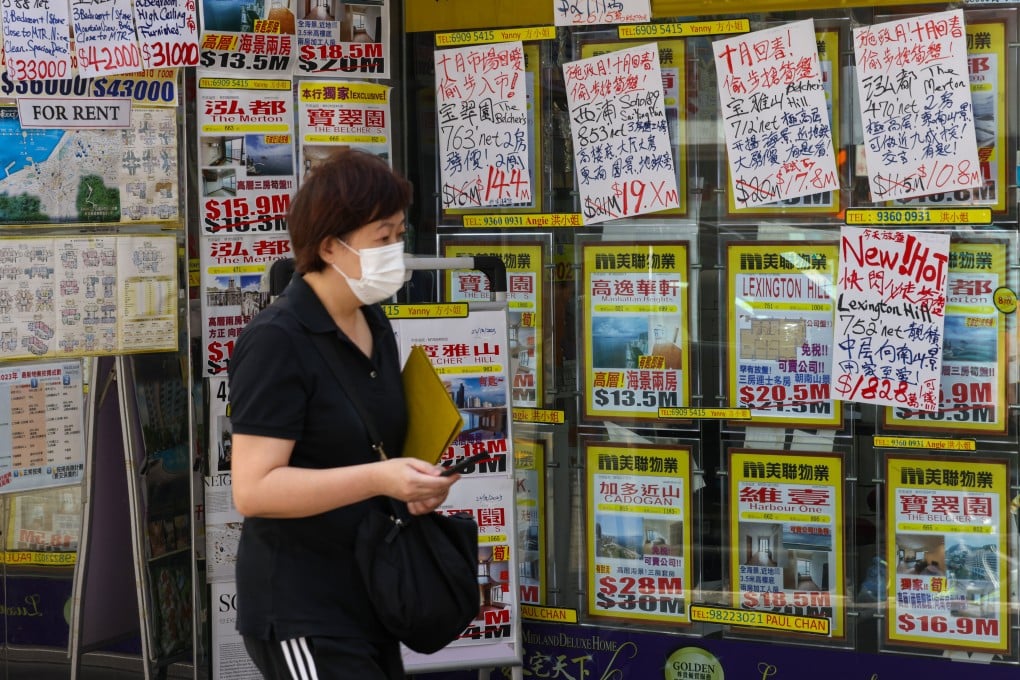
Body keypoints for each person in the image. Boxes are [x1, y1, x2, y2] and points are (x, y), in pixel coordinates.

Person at [228, 148, 459, 679]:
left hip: (372, 590)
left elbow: (373, 446)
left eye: (400, 234)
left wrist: (413, 483)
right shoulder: (276, 341)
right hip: (301, 606)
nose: (396, 250)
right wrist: (380, 478)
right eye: (383, 237)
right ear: (331, 246)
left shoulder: (373, 323)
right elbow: (254, 490)